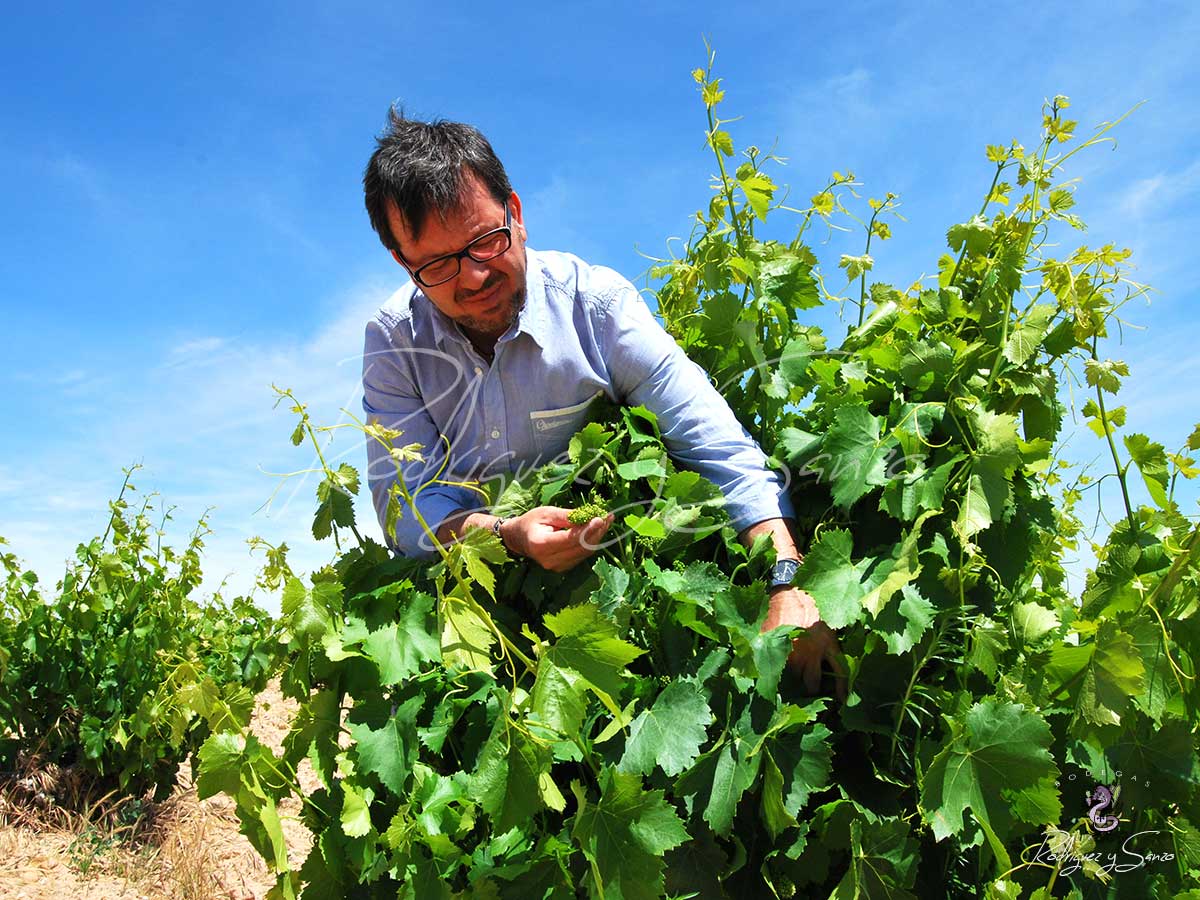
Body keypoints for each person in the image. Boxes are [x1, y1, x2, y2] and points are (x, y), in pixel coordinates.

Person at [360, 110, 843, 695]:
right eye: (437, 265)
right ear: (403, 264)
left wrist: (784, 582)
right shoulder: (393, 340)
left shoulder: (596, 305)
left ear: (516, 213)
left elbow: (717, 446)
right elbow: (404, 506)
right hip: (476, 613)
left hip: (611, 605)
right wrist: (505, 533)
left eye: (486, 241)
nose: (474, 277)